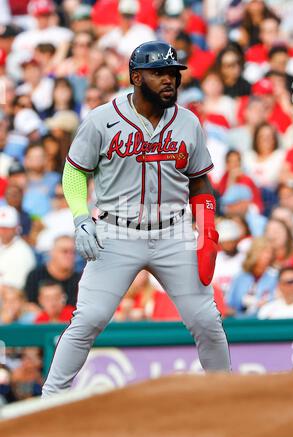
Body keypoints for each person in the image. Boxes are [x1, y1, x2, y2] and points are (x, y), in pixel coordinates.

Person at [42, 40, 231, 397]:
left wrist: (206, 228)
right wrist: (81, 219)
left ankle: (225, 396)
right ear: (136, 77)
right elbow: (74, 173)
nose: (169, 80)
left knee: (206, 320)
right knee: (89, 318)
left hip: (174, 230)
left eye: (173, 73)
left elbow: (200, 180)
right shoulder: (102, 119)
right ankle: (50, 399)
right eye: (159, 72)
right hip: (116, 231)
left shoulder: (188, 121)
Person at [25, 235, 80, 309]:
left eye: (73, 252)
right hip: (41, 319)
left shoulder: (80, 280)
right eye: (65, 251)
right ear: (52, 253)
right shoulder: (35, 275)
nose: (70, 256)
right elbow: (29, 305)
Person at [0, 205, 36, 290]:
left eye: (7, 228)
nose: (2, 231)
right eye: (1, 227)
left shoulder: (23, 253)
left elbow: (16, 289)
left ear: (16, 228)